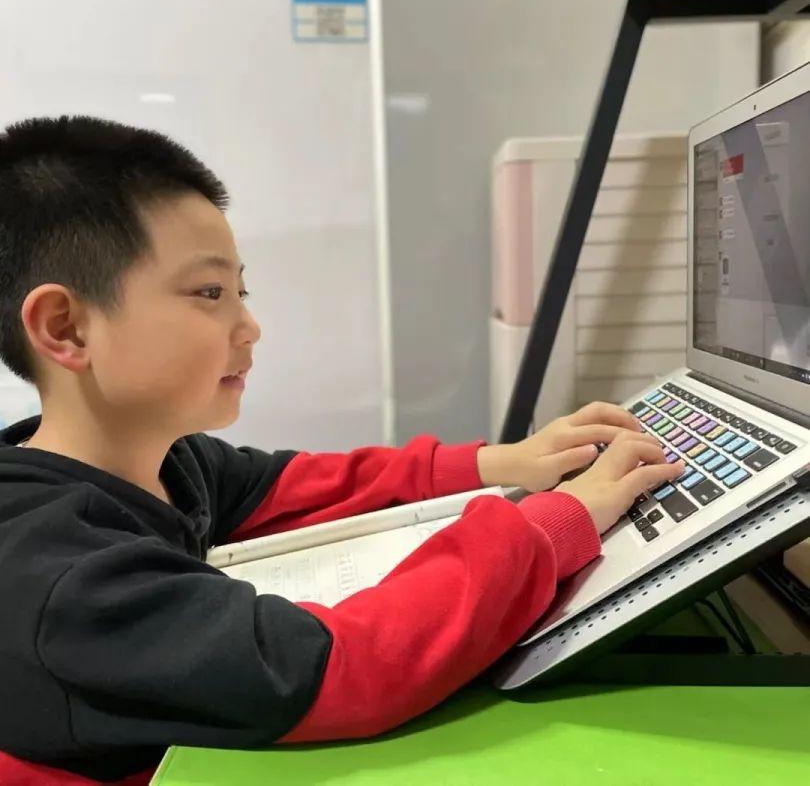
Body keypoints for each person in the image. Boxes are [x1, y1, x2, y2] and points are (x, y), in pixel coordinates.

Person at [0, 116, 684, 784]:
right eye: (209, 293)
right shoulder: (57, 575)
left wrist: (500, 463)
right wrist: (551, 525)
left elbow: (302, 484)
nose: (250, 325)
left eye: (241, 290)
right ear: (67, 328)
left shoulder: (165, 463)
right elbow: (329, 669)